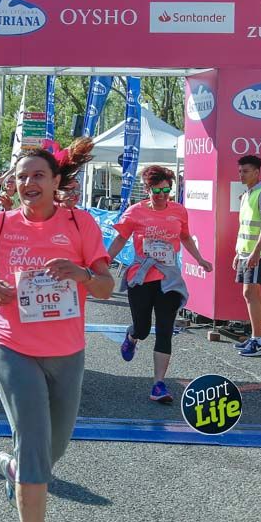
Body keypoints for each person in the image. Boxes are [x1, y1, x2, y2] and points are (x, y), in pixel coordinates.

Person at [0, 140, 114, 521]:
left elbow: (107, 287)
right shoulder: (0, 223)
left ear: (56, 180)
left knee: (51, 448)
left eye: (38, 175)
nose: (29, 182)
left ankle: (14, 468)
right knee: (33, 445)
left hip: (68, 351)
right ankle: (25, 475)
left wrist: (83, 275)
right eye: (22, 176)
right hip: (13, 346)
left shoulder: (80, 222)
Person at [107, 165, 213, 403]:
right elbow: (120, 239)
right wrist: (103, 263)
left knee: (165, 330)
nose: (163, 195)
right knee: (143, 328)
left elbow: (185, 237)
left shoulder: (179, 211)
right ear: (147, 190)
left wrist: (200, 259)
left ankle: (158, 385)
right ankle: (132, 337)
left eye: (167, 190)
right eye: (157, 191)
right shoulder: (135, 212)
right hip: (142, 277)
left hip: (169, 279)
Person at [233, 155, 261, 356]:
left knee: (250, 294)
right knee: (251, 294)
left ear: (257, 173)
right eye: (240, 171)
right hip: (246, 253)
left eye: (246, 171)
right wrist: (239, 252)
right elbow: (244, 227)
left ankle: (259, 340)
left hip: (256, 254)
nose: (241, 174)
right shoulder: (249, 193)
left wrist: (256, 252)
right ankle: (256, 337)